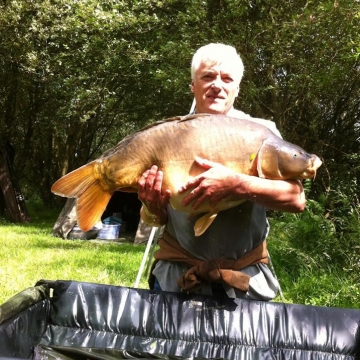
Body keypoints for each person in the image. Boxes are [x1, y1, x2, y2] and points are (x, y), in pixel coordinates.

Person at [137, 43, 305, 300]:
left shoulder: (260, 132)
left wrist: (236, 184)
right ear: (193, 85)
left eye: (227, 78)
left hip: (245, 280)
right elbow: (155, 218)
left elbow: (296, 199)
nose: (218, 85)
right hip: (176, 278)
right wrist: (153, 205)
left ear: (237, 88)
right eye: (207, 76)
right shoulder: (168, 135)